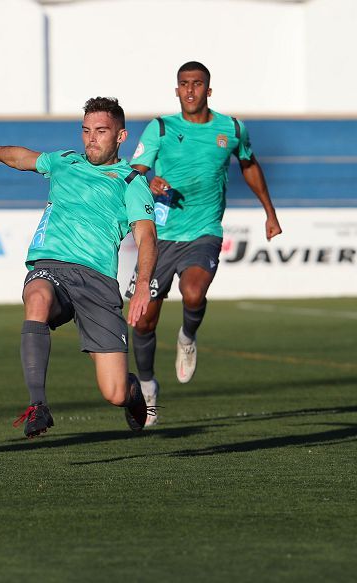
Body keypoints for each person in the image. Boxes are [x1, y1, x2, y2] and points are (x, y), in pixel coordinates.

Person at [0, 97, 158, 437]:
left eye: (101, 131)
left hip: (97, 282)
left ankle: (133, 393)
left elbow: (146, 236)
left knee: (113, 392)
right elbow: (24, 158)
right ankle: (37, 405)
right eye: (86, 131)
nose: (91, 138)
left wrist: (142, 284)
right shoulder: (65, 161)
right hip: (51, 266)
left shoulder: (130, 182)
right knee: (36, 297)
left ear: (121, 137)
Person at [126, 61, 282, 425]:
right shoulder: (161, 128)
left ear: (208, 90)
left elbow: (249, 164)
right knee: (143, 321)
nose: (191, 90)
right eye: (184, 84)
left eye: (197, 84)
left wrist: (269, 212)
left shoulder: (232, 129)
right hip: (159, 237)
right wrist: (148, 183)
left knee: (194, 293)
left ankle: (187, 336)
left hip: (204, 230)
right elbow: (135, 172)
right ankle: (147, 387)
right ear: (176, 90)